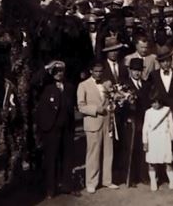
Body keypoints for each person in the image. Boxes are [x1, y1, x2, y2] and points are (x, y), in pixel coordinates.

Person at [35, 60, 78, 199]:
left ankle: (67, 186)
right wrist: (47, 66)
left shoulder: (70, 87)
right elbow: (33, 82)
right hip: (51, 128)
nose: (59, 74)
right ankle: (51, 189)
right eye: (56, 71)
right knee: (51, 159)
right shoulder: (45, 87)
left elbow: (73, 106)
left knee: (67, 158)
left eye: (61, 71)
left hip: (67, 128)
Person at [78, 61, 118, 193]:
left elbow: (112, 99)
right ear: (91, 71)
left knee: (109, 152)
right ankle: (91, 182)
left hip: (108, 122)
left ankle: (107, 180)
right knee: (93, 154)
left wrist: (112, 106)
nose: (98, 73)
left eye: (100, 71)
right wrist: (96, 109)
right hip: (93, 123)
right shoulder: (83, 85)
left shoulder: (108, 83)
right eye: (96, 71)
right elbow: (81, 106)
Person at [142, 94, 173, 191]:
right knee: (152, 161)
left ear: (160, 102)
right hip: (152, 139)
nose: (154, 105)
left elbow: (171, 125)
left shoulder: (167, 110)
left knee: (168, 161)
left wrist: (170, 138)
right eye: (152, 103)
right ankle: (153, 182)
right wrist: (145, 141)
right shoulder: (148, 112)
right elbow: (145, 127)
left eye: (156, 102)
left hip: (164, 139)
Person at [123, 58, 150, 188]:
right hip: (132, 121)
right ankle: (131, 177)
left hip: (144, 121)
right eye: (134, 70)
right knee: (131, 149)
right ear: (130, 70)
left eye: (139, 70)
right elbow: (122, 106)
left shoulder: (146, 84)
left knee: (143, 149)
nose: (137, 73)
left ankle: (143, 175)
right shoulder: (125, 85)